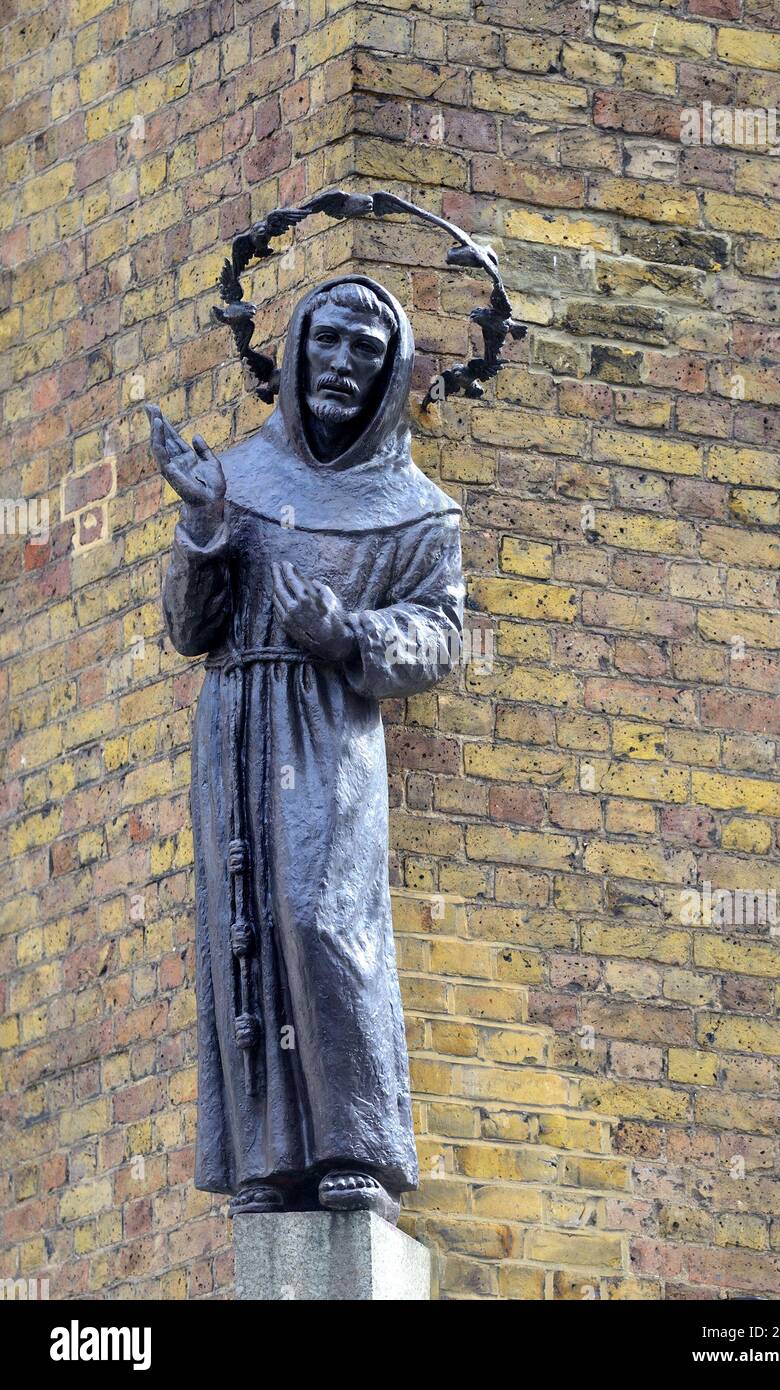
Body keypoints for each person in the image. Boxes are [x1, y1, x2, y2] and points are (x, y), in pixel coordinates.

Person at [146, 276, 465, 1221]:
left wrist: (350, 635)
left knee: (324, 919)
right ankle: (264, 1160)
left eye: (366, 351)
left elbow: (439, 637)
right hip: (237, 720)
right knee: (240, 923)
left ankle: (355, 1144)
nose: (341, 365)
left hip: (328, 728)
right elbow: (187, 630)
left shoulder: (419, 509)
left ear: (390, 370)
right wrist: (202, 525)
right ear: (294, 353)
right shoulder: (235, 478)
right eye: (327, 342)